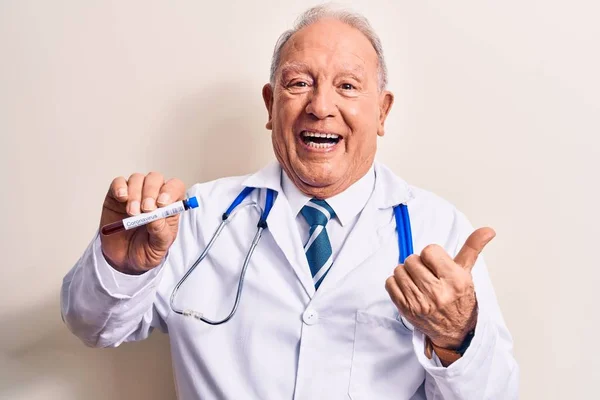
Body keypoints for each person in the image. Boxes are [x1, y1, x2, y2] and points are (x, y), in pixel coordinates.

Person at [61, 5, 518, 399]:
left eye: (347, 86)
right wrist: (122, 266)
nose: (320, 106)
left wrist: (456, 335)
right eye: (299, 83)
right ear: (270, 104)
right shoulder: (194, 219)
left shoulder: (438, 230)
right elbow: (94, 327)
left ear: (382, 111)